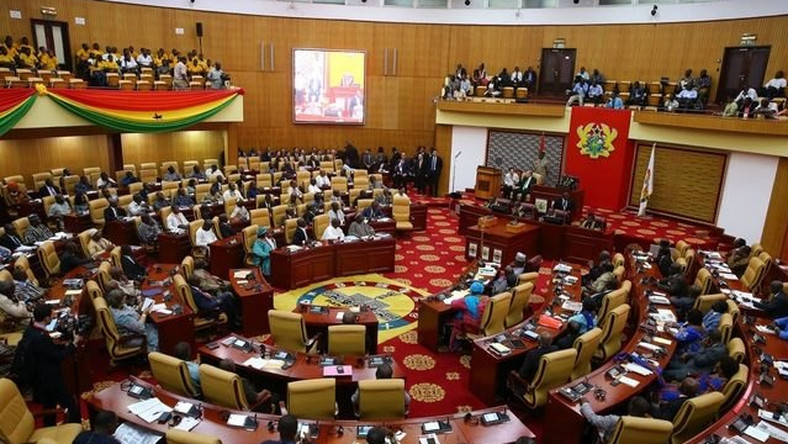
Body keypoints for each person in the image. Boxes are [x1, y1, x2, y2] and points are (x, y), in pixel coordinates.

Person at [18, 304, 81, 424]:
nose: (52, 318)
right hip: (49, 378)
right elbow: (59, 357)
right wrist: (74, 344)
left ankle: (49, 426)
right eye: (51, 316)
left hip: (39, 377)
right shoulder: (40, 338)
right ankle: (77, 426)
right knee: (69, 403)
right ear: (46, 318)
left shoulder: (30, 330)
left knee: (49, 406)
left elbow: (46, 351)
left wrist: (63, 345)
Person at [580, 396, 652, 443]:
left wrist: (585, 404)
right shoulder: (652, 426)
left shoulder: (615, 420)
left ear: (629, 408)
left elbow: (593, 419)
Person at [449, 281, 489, 350]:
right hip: (483, 326)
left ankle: (453, 348)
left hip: (471, 327)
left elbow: (453, 304)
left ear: (470, 290)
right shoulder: (487, 299)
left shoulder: (467, 300)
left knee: (456, 317)